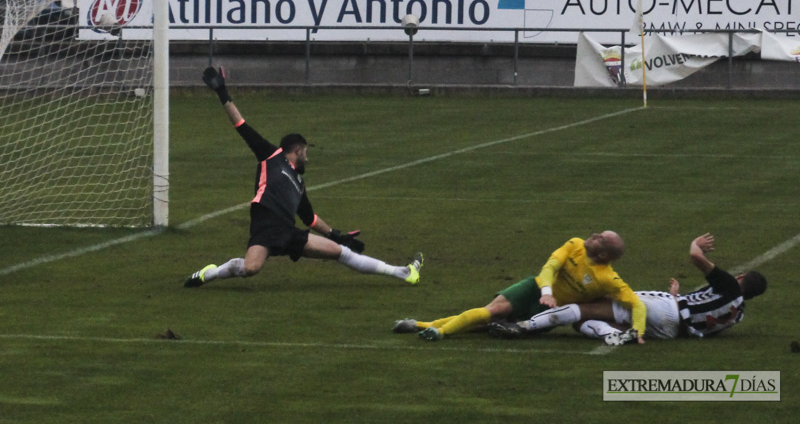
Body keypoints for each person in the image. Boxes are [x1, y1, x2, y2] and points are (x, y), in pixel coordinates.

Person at [184, 66, 423, 288]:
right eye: (306, 152)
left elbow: (309, 218)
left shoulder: (299, 183)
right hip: (265, 225)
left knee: (339, 251)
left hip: (288, 231)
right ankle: (210, 273)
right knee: (250, 268)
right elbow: (241, 125)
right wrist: (222, 92)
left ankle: (403, 272)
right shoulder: (271, 156)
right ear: (297, 150)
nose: (308, 158)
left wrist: (335, 234)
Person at [489, 233, 767, 345]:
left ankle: (522, 326)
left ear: (741, 277)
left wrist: (697, 246)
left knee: (587, 308)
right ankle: (614, 335)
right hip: (673, 331)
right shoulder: (738, 313)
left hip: (664, 309)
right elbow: (698, 313)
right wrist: (676, 295)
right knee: (584, 323)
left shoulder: (731, 286)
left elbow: (695, 257)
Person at [393, 231, 646, 342]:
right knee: (492, 311)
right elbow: (549, 267)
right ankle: (437, 332)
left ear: (604, 256)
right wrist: (547, 293)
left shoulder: (608, 279)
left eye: (600, 239)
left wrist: (639, 332)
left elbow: (635, 303)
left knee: (483, 326)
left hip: (547, 315)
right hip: (534, 288)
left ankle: (421, 325)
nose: (594, 235)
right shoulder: (575, 244)